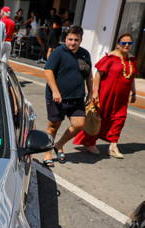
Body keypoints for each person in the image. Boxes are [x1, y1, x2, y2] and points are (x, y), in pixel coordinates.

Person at [73, 33, 137, 158]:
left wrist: (134, 92)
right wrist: (95, 92)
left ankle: (113, 145)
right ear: (118, 44)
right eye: (124, 43)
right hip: (106, 94)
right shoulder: (110, 58)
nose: (127, 45)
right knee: (99, 118)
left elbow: (132, 78)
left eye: (130, 43)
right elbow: (98, 75)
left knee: (120, 119)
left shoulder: (132, 60)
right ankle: (91, 142)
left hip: (122, 97)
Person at [42, 26, 92, 167]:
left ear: (81, 39)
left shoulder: (85, 54)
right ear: (66, 38)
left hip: (77, 97)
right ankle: (47, 153)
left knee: (79, 124)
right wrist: (55, 91)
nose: (73, 42)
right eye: (70, 39)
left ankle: (59, 144)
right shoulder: (58, 52)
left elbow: (89, 75)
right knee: (53, 127)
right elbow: (48, 71)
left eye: (76, 40)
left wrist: (91, 92)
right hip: (58, 98)